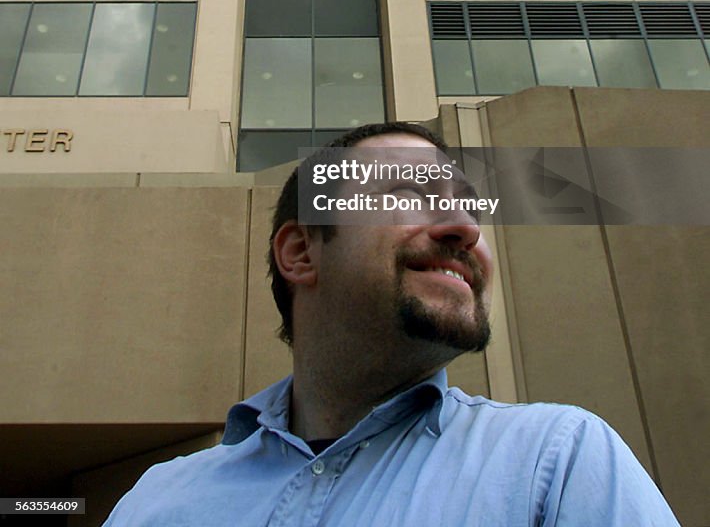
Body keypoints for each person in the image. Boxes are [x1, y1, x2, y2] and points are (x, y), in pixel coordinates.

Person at [104, 121, 680, 526]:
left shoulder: (557, 462)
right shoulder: (156, 503)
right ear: (302, 252)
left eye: (470, 207)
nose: (465, 228)